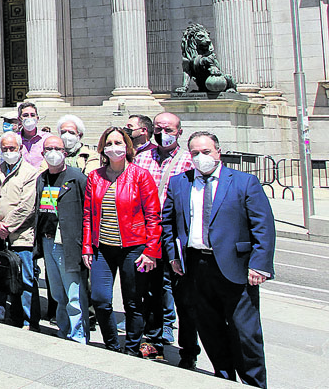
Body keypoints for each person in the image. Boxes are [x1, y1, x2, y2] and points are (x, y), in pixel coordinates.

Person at [161, 132, 275, 386]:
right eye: (195, 153)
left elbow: (263, 227)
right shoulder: (180, 182)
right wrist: (173, 256)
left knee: (245, 333)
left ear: (218, 152)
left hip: (236, 268)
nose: (201, 158)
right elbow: (167, 224)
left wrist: (259, 265)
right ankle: (224, 378)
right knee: (210, 330)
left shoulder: (245, 182)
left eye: (206, 152)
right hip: (196, 267)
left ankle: (254, 382)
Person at [82, 126, 161, 357]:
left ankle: (133, 347)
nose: (113, 148)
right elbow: (88, 215)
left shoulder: (140, 175)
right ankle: (112, 344)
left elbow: (153, 216)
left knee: (133, 302)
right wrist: (87, 247)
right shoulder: (95, 177)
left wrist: (151, 250)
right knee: (100, 298)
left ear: (127, 146)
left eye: (118, 143)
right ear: (102, 149)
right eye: (109, 144)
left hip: (133, 247)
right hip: (102, 248)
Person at [140, 111, 197, 360]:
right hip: (148, 234)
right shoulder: (142, 158)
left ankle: (188, 348)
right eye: (158, 128)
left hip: (175, 236)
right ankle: (154, 340)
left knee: (181, 293)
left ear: (179, 132)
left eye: (169, 129)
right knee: (150, 289)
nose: (163, 133)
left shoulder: (189, 161)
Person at [0, 131, 42, 327]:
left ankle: (28, 320)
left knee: (25, 278)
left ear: (20, 149)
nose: (8, 152)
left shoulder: (30, 173)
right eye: (4, 149)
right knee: (1, 274)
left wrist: (7, 226)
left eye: (12, 148)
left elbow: (27, 206)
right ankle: (4, 310)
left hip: (20, 235)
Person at [35, 134, 87, 343]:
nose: (53, 153)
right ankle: (64, 330)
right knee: (57, 292)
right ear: (42, 153)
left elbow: (87, 211)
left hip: (67, 242)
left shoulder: (77, 178)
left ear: (65, 152)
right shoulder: (42, 178)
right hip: (48, 241)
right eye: (48, 149)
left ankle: (79, 334)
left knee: (73, 291)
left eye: (57, 148)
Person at [17, 102, 45, 169]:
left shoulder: (47, 138)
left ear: (37, 119)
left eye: (32, 115)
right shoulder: (14, 139)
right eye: (25, 115)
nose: (29, 118)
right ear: (19, 119)